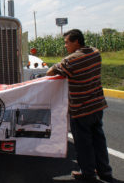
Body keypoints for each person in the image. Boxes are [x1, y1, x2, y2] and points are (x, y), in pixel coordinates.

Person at [46, 29, 113, 182]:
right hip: (97, 106)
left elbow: (50, 72)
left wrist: (60, 62)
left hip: (81, 109)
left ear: (77, 42)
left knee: (84, 143)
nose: (65, 46)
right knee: (99, 140)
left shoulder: (71, 61)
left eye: (67, 42)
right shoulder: (95, 53)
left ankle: (88, 173)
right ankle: (105, 172)